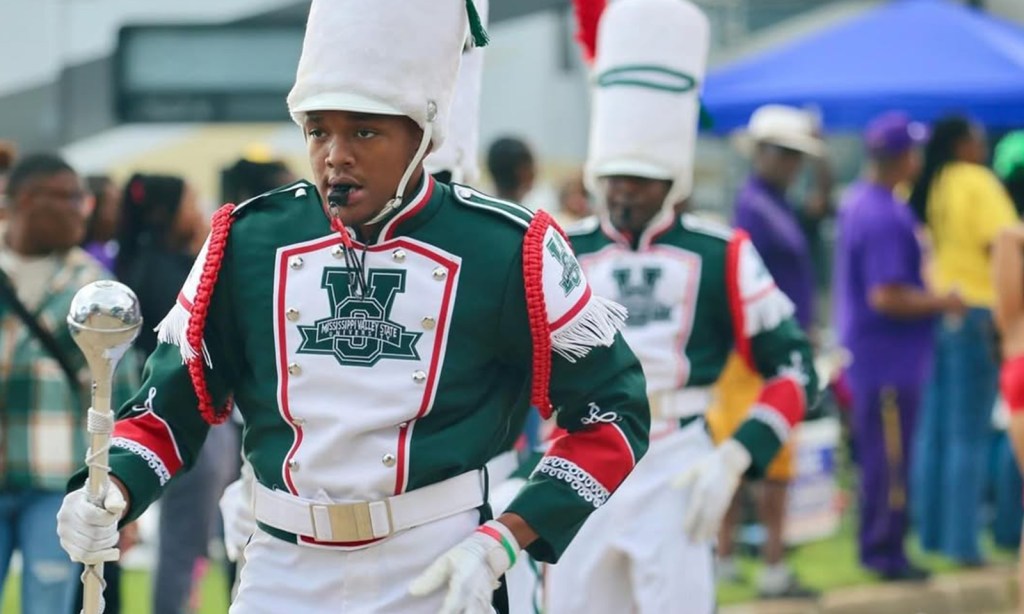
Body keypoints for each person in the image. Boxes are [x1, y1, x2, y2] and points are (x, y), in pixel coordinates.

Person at [56, 2, 651, 613]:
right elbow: (169, 408)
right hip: (280, 568)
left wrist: (506, 537)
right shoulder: (247, 238)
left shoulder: (511, 247)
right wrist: (111, 490)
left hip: (439, 561)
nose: (335, 154)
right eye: (318, 130)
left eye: (364, 130)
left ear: (422, 133)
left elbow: (613, 415)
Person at [545, 1, 817, 612]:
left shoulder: (723, 251)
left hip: (679, 464)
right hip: (576, 456)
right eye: (613, 175)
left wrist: (737, 455)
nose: (622, 190)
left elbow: (797, 366)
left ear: (672, 178)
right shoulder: (559, 249)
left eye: (638, 177)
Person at [0, 154, 136, 614]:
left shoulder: (94, 287)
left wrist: (121, 492)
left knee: (49, 605)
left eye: (84, 197)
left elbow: (124, 395)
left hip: (57, 479)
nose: (84, 208)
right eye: (70, 197)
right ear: (24, 201)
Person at [833, 111, 966, 581]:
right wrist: (943, 301)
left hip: (879, 356)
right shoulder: (882, 212)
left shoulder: (865, 201)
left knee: (883, 454)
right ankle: (884, 552)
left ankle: (884, 546)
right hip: (885, 358)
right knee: (888, 458)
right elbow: (885, 294)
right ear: (903, 157)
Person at [710, 103, 824, 598]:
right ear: (762, 154)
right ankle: (758, 563)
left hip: (769, 347)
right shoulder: (756, 208)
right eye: (785, 153)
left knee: (754, 455)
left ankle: (731, 558)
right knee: (761, 456)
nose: (792, 163)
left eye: (797, 155)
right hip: (757, 351)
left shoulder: (775, 204)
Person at [114, 173, 240, 614]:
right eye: (191, 202)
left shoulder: (136, 263)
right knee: (186, 541)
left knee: (190, 539)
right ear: (168, 213)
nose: (198, 213)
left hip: (175, 412)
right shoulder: (175, 271)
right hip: (187, 414)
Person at [909, 116, 1019, 566]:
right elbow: (1004, 246)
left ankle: (931, 535)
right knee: (969, 435)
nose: (981, 147)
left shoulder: (925, 185)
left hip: (938, 311)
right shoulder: (976, 182)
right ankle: (963, 543)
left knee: (934, 432)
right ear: (961, 144)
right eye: (976, 139)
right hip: (977, 310)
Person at [82, 175, 122, 273]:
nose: (121, 212)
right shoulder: (86, 257)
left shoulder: (118, 246)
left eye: (120, 204)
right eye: (113, 205)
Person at [486, 136, 536, 203]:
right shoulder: (533, 211)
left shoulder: (479, 208)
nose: (534, 172)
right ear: (522, 172)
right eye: (530, 167)